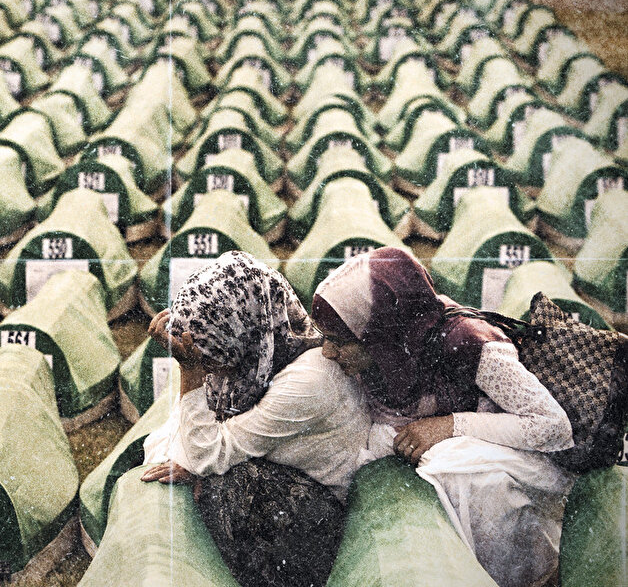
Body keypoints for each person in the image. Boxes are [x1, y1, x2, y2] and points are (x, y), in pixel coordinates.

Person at [311, 246, 576, 587]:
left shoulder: (466, 343)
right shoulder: (392, 348)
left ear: (378, 333)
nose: (327, 352)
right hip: (488, 447)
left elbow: (554, 427)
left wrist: (450, 425)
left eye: (339, 341)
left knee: (452, 466)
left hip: (530, 460)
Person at [141, 251, 371, 587]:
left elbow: (206, 454)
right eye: (199, 358)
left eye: (210, 355)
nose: (208, 368)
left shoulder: (310, 381)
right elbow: (188, 437)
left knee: (226, 484)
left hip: (318, 515)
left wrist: (189, 373)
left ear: (238, 329)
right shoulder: (257, 353)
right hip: (286, 483)